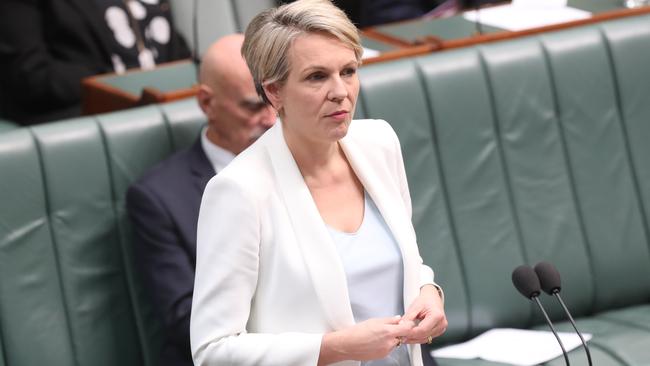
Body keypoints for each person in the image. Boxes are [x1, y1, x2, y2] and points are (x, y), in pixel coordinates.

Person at [190, 1, 447, 365]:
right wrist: (334, 347)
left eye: (348, 71)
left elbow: (405, 262)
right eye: (316, 76)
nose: (340, 91)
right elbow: (212, 350)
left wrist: (428, 291)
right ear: (274, 92)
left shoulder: (379, 144)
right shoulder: (238, 191)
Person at [126, 34, 276, 366]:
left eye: (274, 101)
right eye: (253, 105)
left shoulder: (309, 161)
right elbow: (186, 319)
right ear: (207, 103)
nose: (270, 119)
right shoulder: (159, 197)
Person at [0, 0, 190, 125]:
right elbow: (30, 75)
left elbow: (178, 52)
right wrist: (115, 85)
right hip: (84, 119)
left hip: (169, 110)